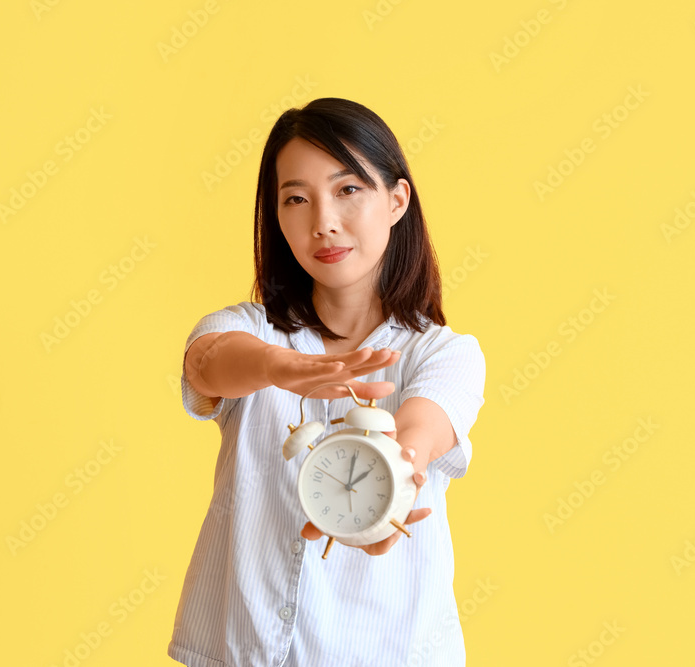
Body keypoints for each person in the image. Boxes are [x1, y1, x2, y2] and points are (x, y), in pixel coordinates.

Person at [168, 97, 486, 666]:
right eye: (296, 199)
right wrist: (277, 367)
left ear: (396, 200)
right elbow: (207, 364)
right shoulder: (248, 329)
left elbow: (424, 426)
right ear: (276, 216)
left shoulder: (445, 353)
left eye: (348, 190)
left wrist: (395, 478)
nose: (324, 222)